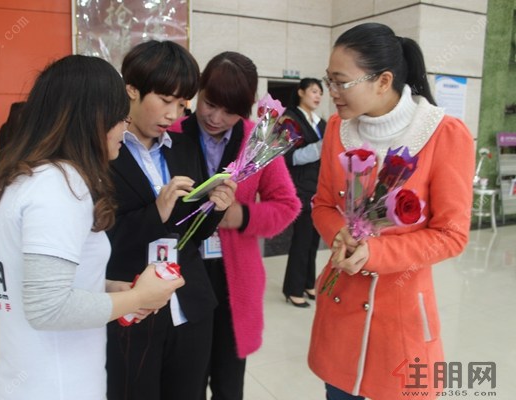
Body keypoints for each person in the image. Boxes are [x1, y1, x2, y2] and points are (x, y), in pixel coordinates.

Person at [0, 55, 184, 400]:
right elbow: (48, 307)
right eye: (120, 117)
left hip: (30, 379)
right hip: (59, 385)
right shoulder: (61, 188)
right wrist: (139, 297)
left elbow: (37, 280)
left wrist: (109, 289)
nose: (124, 127)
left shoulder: (29, 179)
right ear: (92, 118)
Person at [308, 23, 474, 400]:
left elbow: (452, 234)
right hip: (339, 307)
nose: (330, 93)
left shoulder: (443, 134)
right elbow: (322, 204)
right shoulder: (337, 128)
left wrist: (376, 253)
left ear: (383, 81)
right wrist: (339, 233)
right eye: (328, 80)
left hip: (400, 320)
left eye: (340, 82)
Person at [105, 41, 237, 400]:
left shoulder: (182, 148)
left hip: (190, 303)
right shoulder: (105, 153)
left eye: (181, 104)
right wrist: (158, 211)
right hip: (134, 307)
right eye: (165, 100)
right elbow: (101, 241)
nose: (173, 114)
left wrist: (216, 209)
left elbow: (190, 234)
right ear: (131, 89)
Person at [169, 51, 301, 400]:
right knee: (184, 383)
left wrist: (239, 216)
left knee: (229, 386)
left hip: (234, 282)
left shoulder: (257, 142)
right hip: (179, 278)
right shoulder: (172, 133)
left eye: (230, 111)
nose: (215, 117)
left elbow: (288, 206)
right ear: (198, 91)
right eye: (209, 103)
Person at [281, 78, 326, 307]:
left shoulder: (321, 123)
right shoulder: (290, 119)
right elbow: (290, 157)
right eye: (314, 91)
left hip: (318, 189)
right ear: (300, 92)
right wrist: (321, 147)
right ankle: (293, 288)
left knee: (313, 240)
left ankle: (309, 283)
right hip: (299, 189)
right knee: (301, 239)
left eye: (320, 93)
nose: (318, 96)